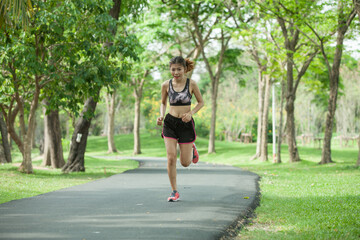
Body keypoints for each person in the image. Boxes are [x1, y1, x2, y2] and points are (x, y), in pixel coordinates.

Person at [157, 56, 204, 202]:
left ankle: (192, 148)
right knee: (171, 158)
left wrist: (191, 113)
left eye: (179, 69)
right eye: (173, 69)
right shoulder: (166, 85)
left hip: (185, 124)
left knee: (185, 163)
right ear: (170, 69)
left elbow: (201, 102)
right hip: (170, 123)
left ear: (185, 69)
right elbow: (163, 103)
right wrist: (161, 115)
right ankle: (174, 191)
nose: (176, 72)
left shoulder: (191, 84)